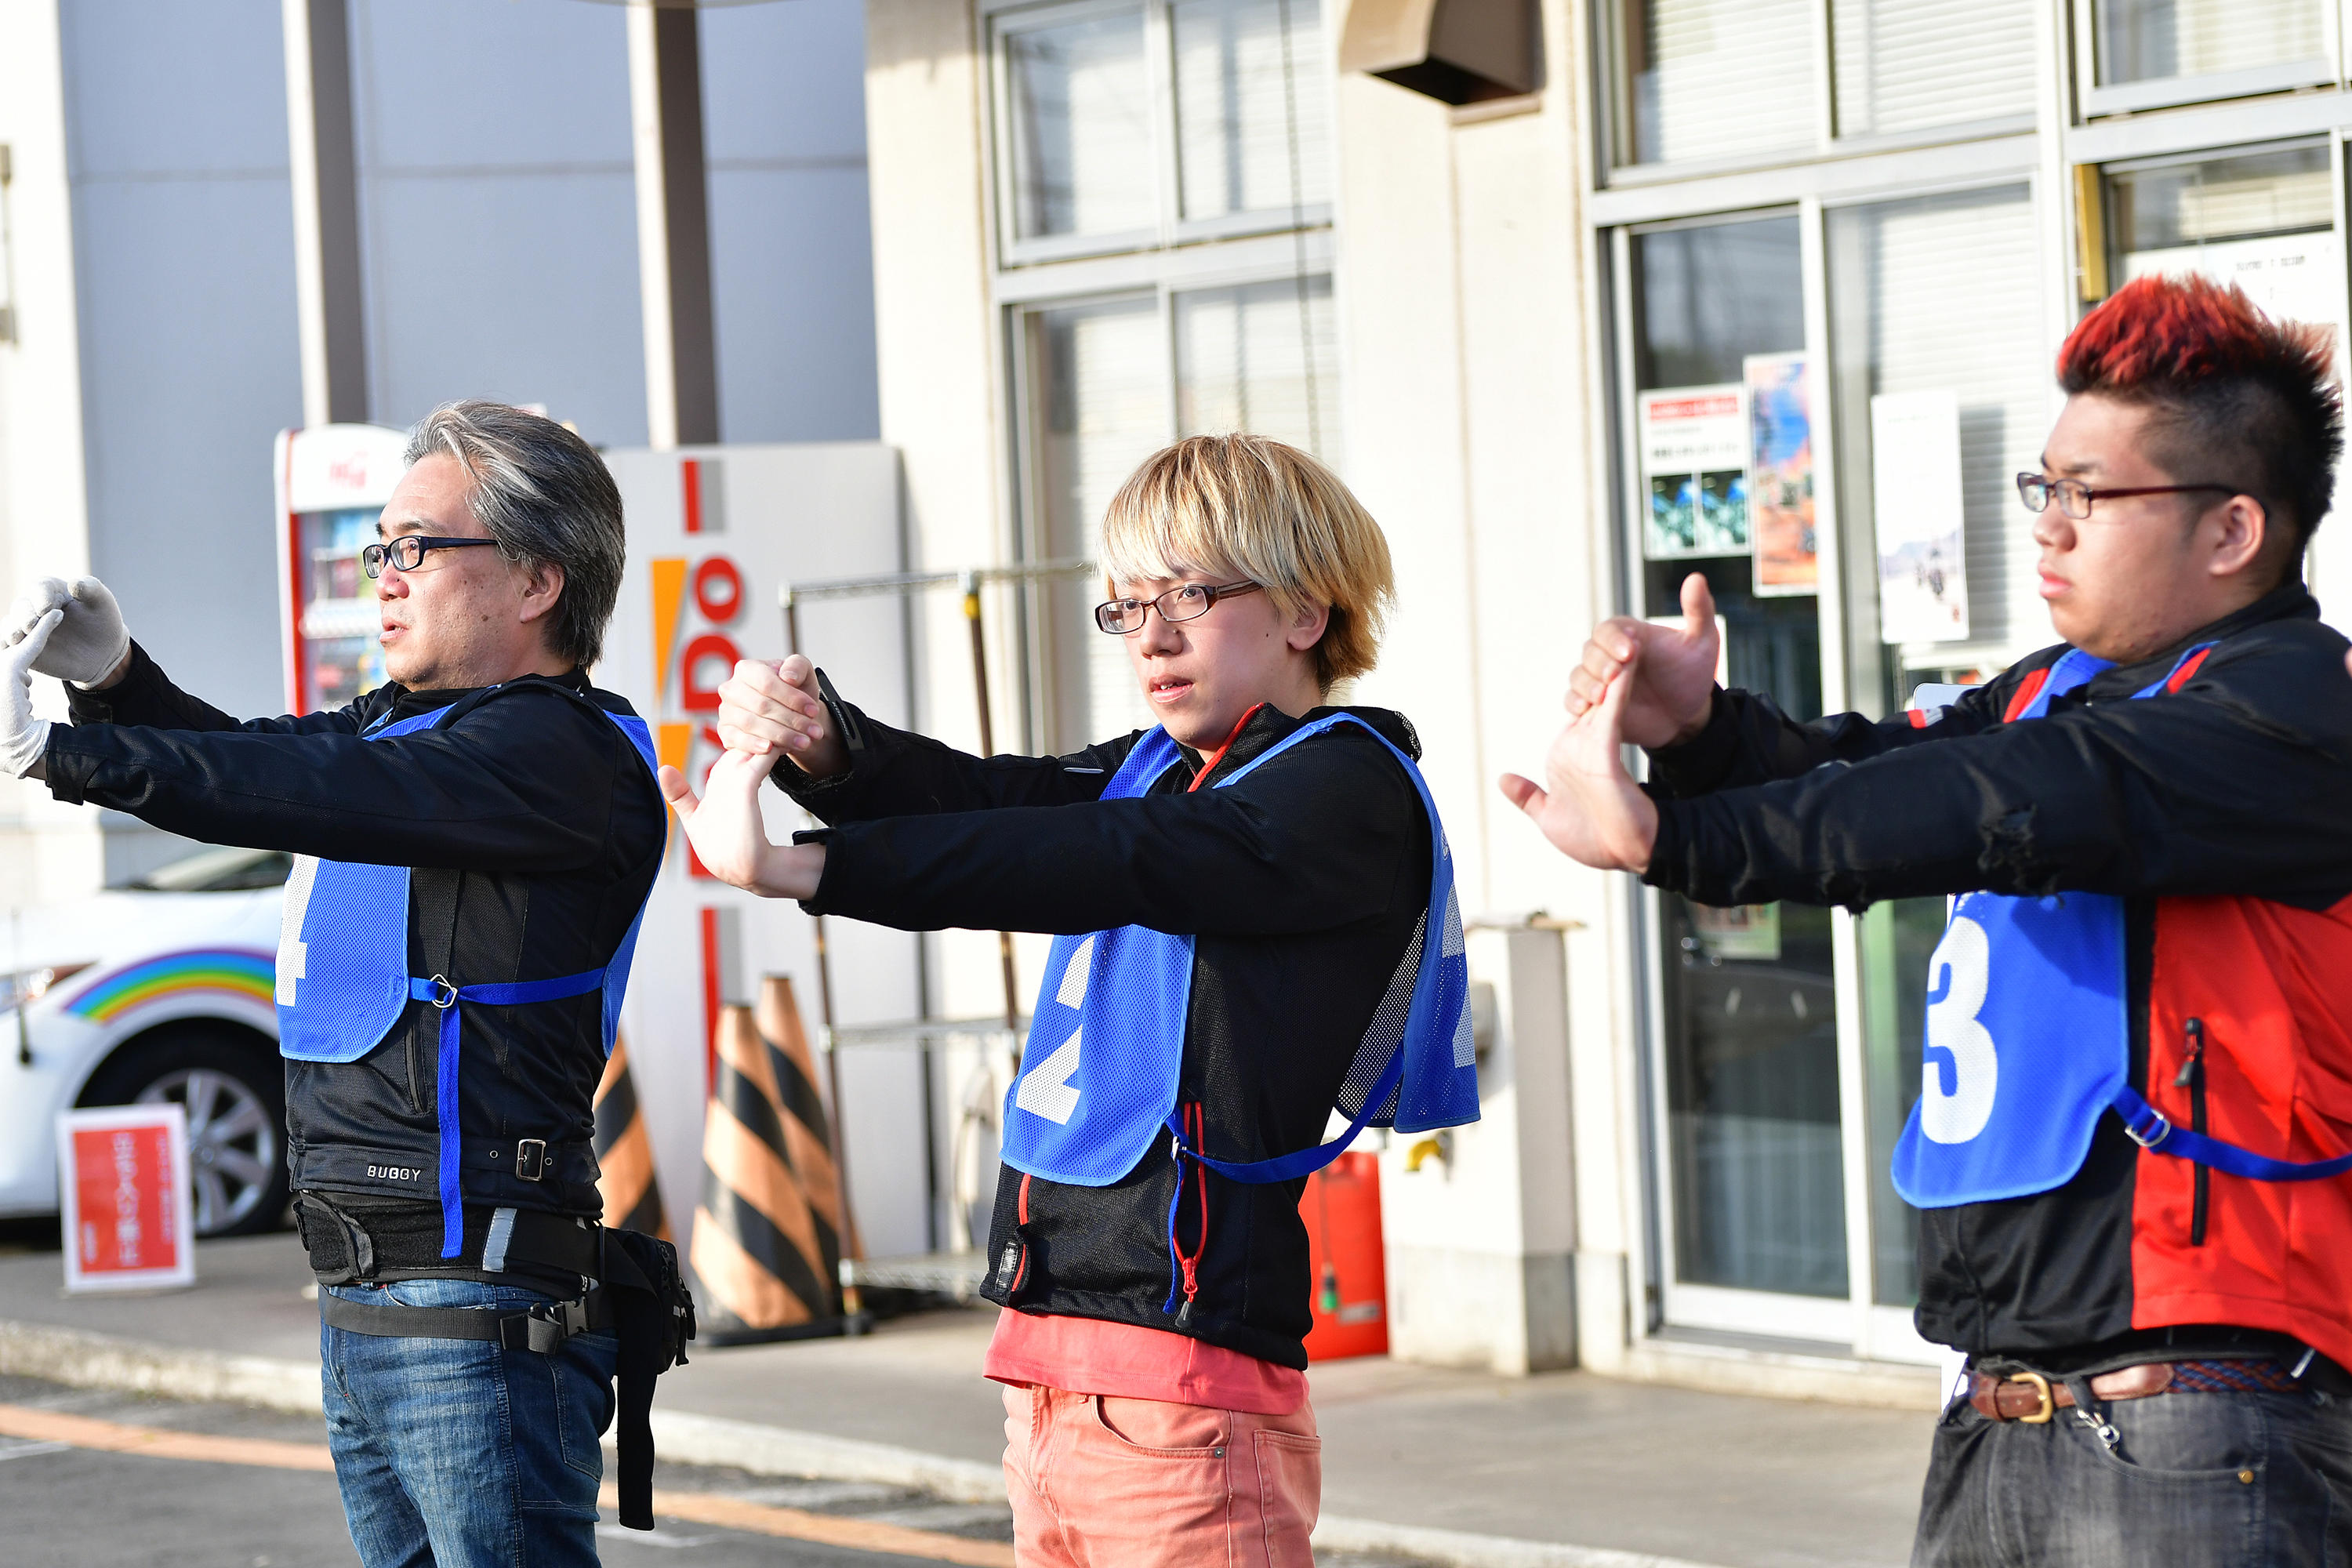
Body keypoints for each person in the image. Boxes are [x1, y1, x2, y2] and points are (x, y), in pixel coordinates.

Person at [1508, 272, 2352, 1566]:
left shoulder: (2297, 707)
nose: (2050, 529)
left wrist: (1683, 843)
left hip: (2201, 1423)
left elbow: (2027, 798)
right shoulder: (2060, 689)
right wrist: (1701, 731)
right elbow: (1876, 769)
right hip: (1998, 1407)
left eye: (2090, 494)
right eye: (2043, 488)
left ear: (2233, 530)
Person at [663, 433, 1476, 1568]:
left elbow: (1113, 854)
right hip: (1047, 1376)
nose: (1150, 636)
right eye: (1127, 606)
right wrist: (829, 749)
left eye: (1188, 595)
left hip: (1189, 1398)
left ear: (1304, 611)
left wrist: (806, 869)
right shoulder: (1162, 767)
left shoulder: (1342, 788)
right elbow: (995, 799)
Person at [1, 401, 677, 1567]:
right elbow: (273, 764)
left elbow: (301, 788)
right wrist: (115, 683)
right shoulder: (420, 733)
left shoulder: (559, 758)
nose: (387, 576)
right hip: (369, 1291)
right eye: (380, 549)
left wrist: (66, 757)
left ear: (534, 582)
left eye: (417, 547)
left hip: (477, 1305)